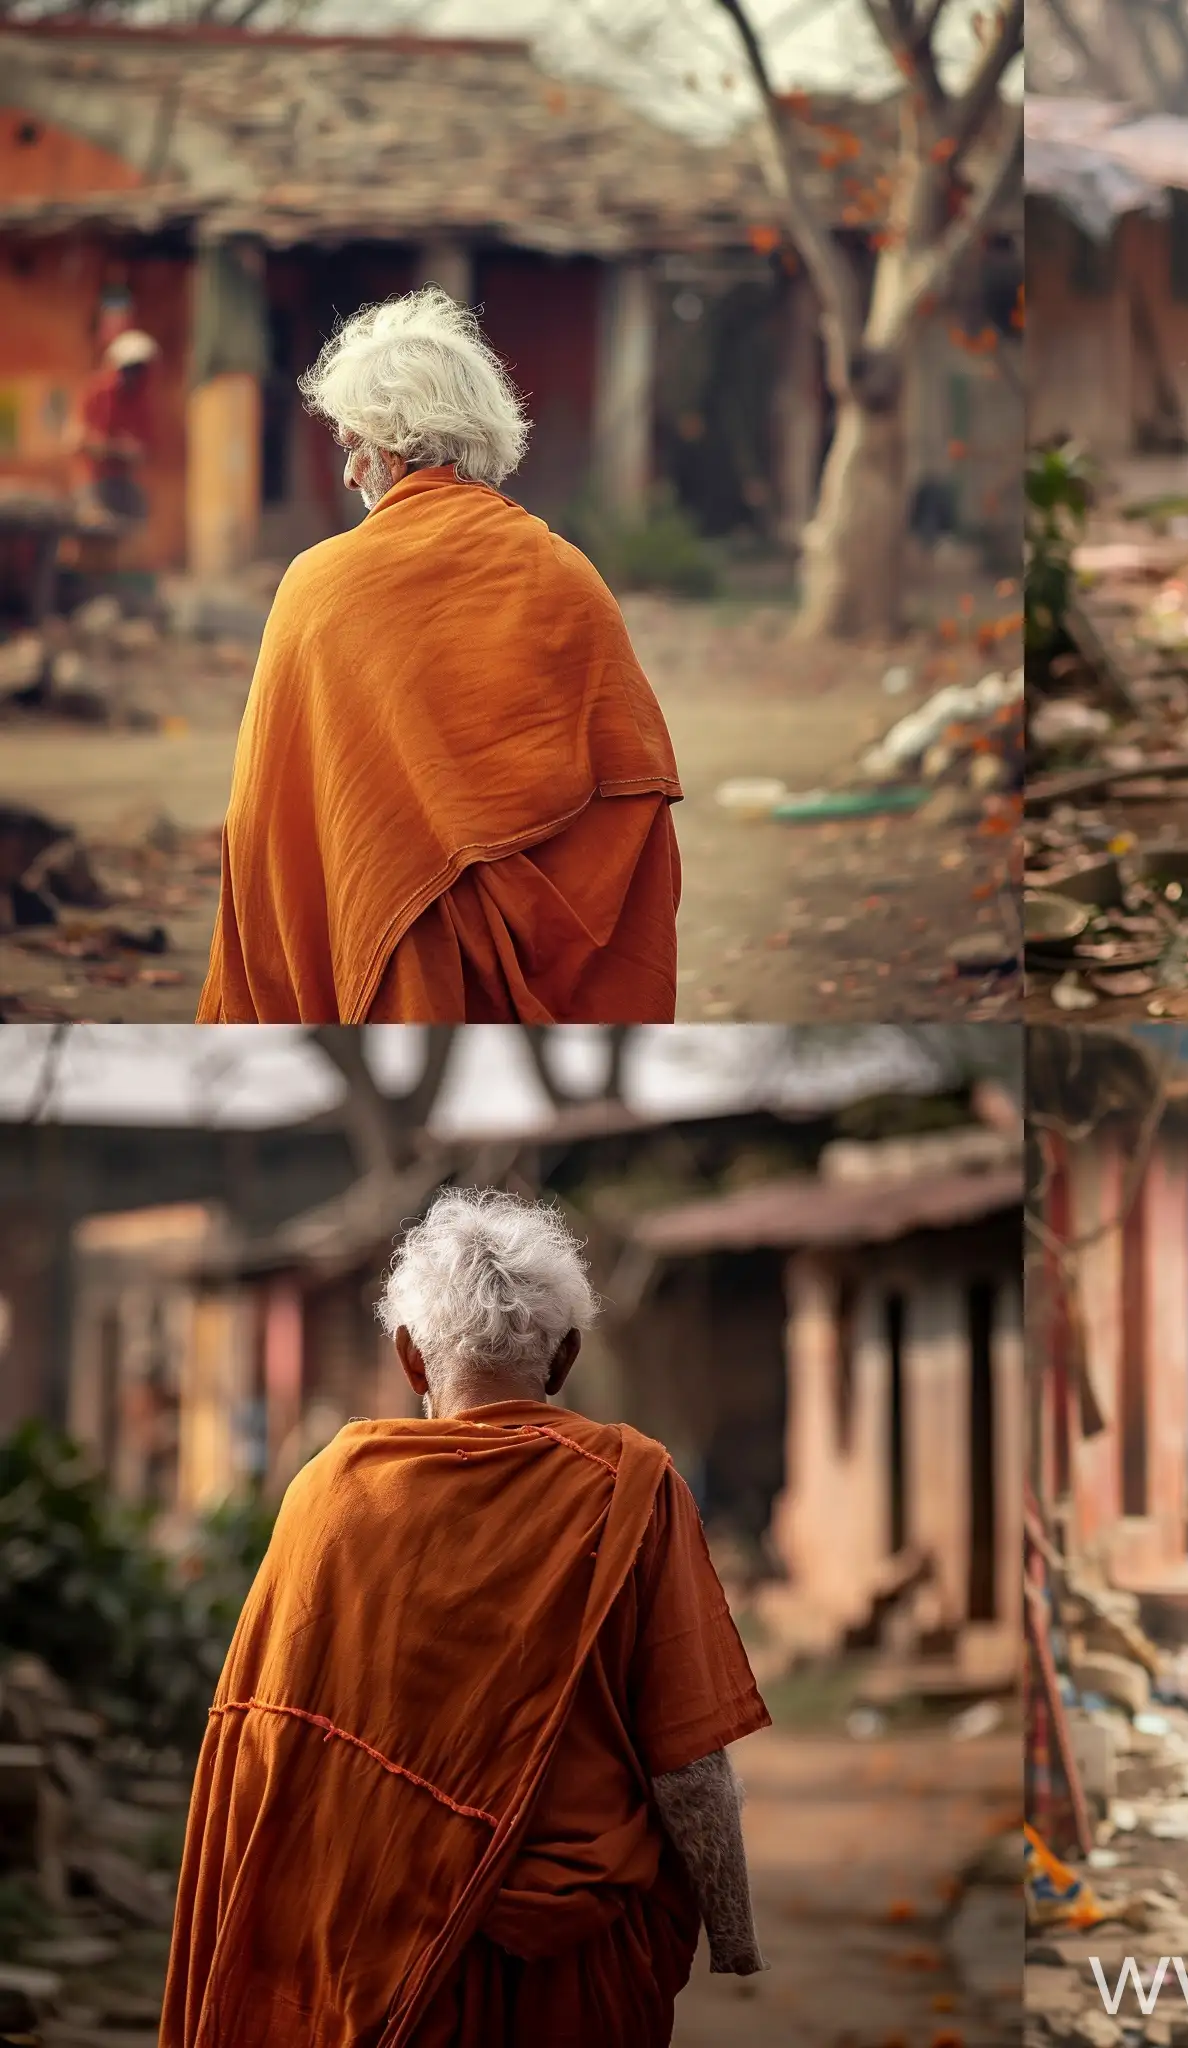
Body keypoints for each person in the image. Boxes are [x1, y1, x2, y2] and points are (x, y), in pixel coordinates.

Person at [163, 1189, 770, 2047]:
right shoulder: (633, 1488)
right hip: (576, 1961)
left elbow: (268, 1744)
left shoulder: (331, 1493)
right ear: (564, 1358)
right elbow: (689, 1756)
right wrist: (733, 1933)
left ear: (411, 1359)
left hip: (368, 1944)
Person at [195, 288, 683, 1024]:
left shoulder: (319, 585)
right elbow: (634, 805)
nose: (353, 476)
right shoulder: (566, 572)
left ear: (389, 446)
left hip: (383, 946)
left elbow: (267, 828)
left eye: (354, 449)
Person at [71, 328, 158, 531]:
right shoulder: (95, 393)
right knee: (95, 526)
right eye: (129, 369)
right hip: (93, 482)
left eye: (139, 370)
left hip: (123, 483)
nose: (133, 376)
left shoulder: (141, 402)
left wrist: (113, 448)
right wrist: (117, 448)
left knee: (139, 519)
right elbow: (77, 441)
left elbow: (143, 450)